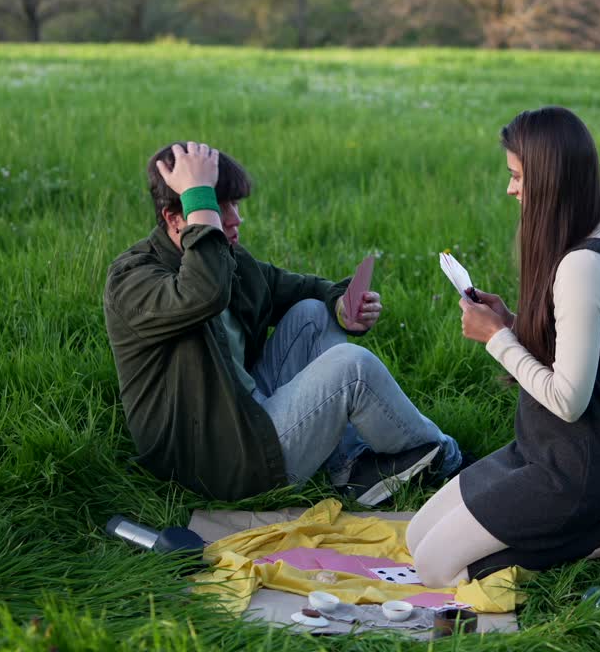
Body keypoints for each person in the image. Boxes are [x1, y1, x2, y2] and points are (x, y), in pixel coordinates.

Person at [103, 141, 463, 505]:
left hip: (244, 414)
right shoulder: (133, 280)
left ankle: (350, 467)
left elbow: (299, 288)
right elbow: (204, 293)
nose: (234, 219)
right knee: (354, 369)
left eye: (234, 204)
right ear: (174, 219)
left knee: (312, 313)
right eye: (216, 205)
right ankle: (451, 460)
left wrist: (341, 305)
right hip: (214, 463)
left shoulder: (228, 259)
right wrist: (198, 196)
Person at [407, 107, 600, 588]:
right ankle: (597, 517)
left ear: (552, 180)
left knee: (436, 569)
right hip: (539, 448)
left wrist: (498, 339)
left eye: (518, 176)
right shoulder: (584, 238)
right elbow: (572, 346)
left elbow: (569, 400)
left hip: (578, 465)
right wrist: (512, 321)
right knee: (416, 538)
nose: (511, 188)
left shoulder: (583, 266)